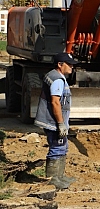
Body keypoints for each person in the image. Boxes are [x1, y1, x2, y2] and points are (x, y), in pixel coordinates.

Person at [34, 52, 79, 190]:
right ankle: (53, 179)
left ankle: (60, 176)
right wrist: (60, 124)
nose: (71, 67)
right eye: (69, 64)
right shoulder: (57, 80)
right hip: (53, 122)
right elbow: (55, 103)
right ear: (60, 65)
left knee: (62, 147)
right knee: (57, 148)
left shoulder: (55, 76)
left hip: (55, 121)